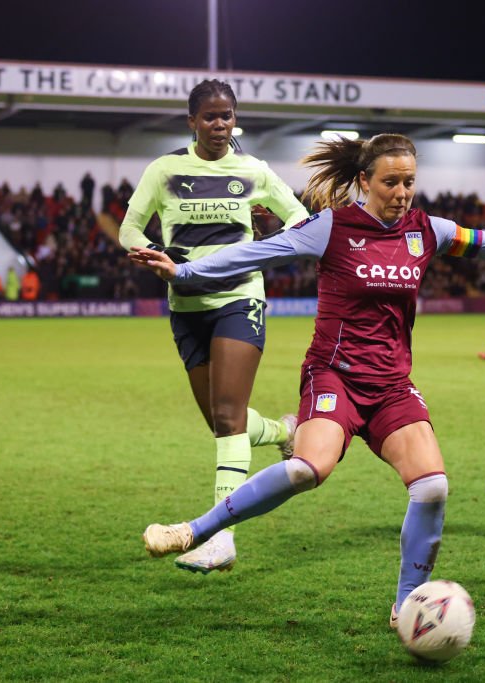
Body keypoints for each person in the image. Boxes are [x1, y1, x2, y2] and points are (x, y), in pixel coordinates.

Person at [129, 133, 485, 623]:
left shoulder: (427, 230)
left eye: (409, 183)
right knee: (307, 469)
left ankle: (407, 607)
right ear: (364, 181)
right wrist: (185, 273)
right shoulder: (331, 227)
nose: (402, 193)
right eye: (391, 182)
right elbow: (259, 253)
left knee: (433, 486)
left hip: (393, 385)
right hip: (334, 376)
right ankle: (195, 530)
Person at [118, 78, 310, 572]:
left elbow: (300, 219)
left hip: (238, 298)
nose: (220, 125)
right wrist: (150, 253)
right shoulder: (165, 171)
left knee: (227, 416)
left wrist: (265, 246)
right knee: (223, 424)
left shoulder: (253, 170)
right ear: (192, 122)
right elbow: (129, 228)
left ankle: (221, 539)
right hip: (185, 306)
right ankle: (282, 429)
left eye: (227, 116)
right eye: (210, 117)